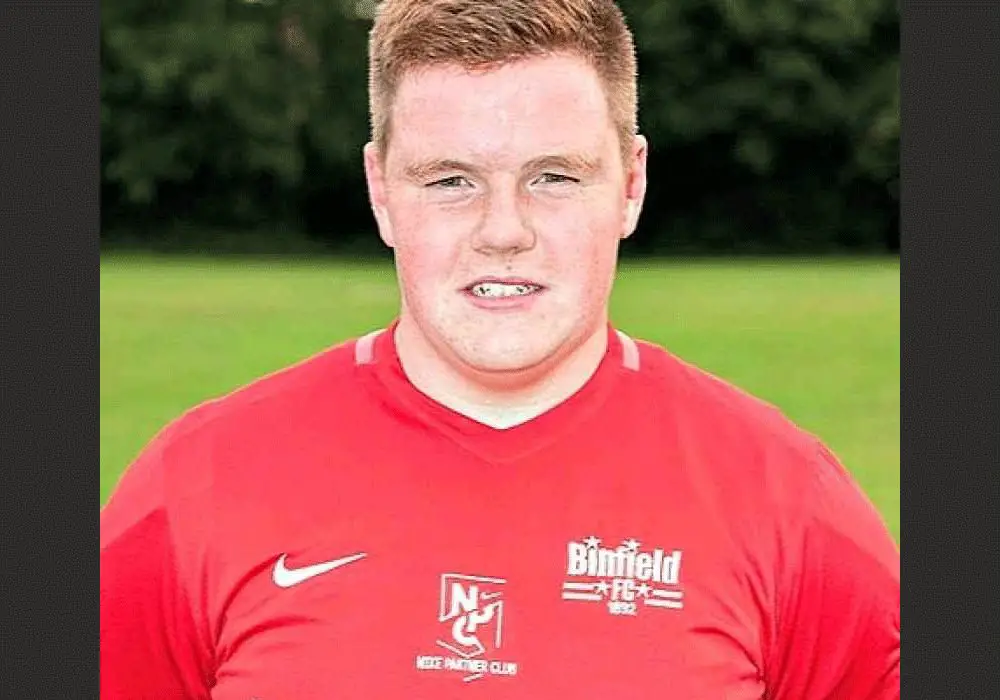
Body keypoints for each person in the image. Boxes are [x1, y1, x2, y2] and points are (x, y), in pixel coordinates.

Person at [99, 0, 900, 697]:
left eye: (554, 177)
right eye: (450, 180)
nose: (503, 231)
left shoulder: (789, 502)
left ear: (631, 184)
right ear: (381, 192)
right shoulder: (195, 486)